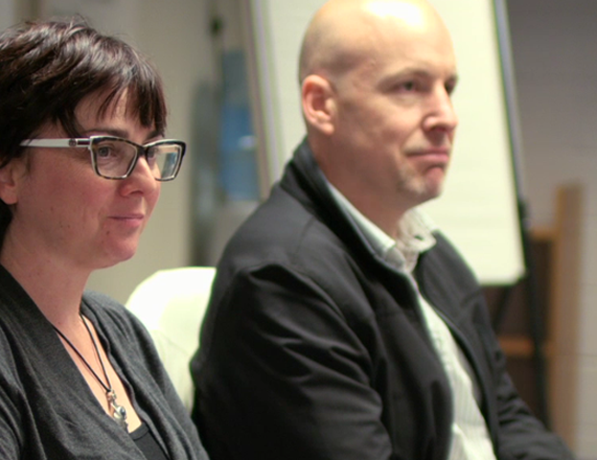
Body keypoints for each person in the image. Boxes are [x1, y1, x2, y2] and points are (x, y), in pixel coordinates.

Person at [189, 1, 574, 459]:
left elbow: (505, 417)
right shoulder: (281, 281)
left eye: (447, 87)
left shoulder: (432, 251)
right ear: (320, 105)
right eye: (409, 86)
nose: (446, 116)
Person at [0, 18, 207, 460]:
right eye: (106, 150)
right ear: (3, 171)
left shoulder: (117, 327)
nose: (144, 181)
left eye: (150, 151)